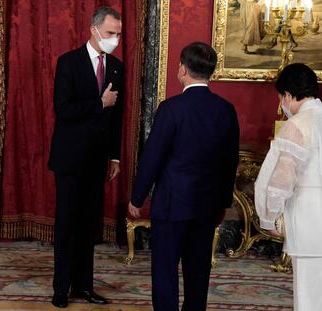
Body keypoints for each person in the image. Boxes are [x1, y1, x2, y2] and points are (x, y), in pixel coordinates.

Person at [128, 42, 240, 311]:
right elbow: (230, 161)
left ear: (183, 68)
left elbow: (152, 157)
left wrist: (137, 197)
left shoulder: (171, 108)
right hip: (207, 206)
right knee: (198, 271)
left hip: (171, 205)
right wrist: (224, 203)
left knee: (165, 270)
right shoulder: (226, 109)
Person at [48, 6, 123, 308]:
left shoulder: (116, 66)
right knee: (67, 224)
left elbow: (116, 116)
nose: (114, 39)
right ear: (93, 30)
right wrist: (98, 102)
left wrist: (115, 157)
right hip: (69, 159)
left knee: (89, 226)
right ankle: (61, 288)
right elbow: (63, 110)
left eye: (118, 34)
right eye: (109, 33)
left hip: (97, 161)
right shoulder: (68, 62)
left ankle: (84, 286)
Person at [255, 63, 322, 311]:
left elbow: (281, 180)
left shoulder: (297, 125)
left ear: (289, 96)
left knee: (309, 295)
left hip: (309, 219)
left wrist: (270, 218)